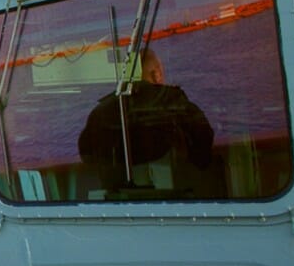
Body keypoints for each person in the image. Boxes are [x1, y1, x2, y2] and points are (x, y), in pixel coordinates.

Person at [77, 49, 214, 192]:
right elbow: (203, 141)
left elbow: (86, 154)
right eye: (161, 71)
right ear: (156, 74)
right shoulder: (173, 101)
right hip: (172, 197)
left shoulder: (100, 112)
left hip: (118, 200)